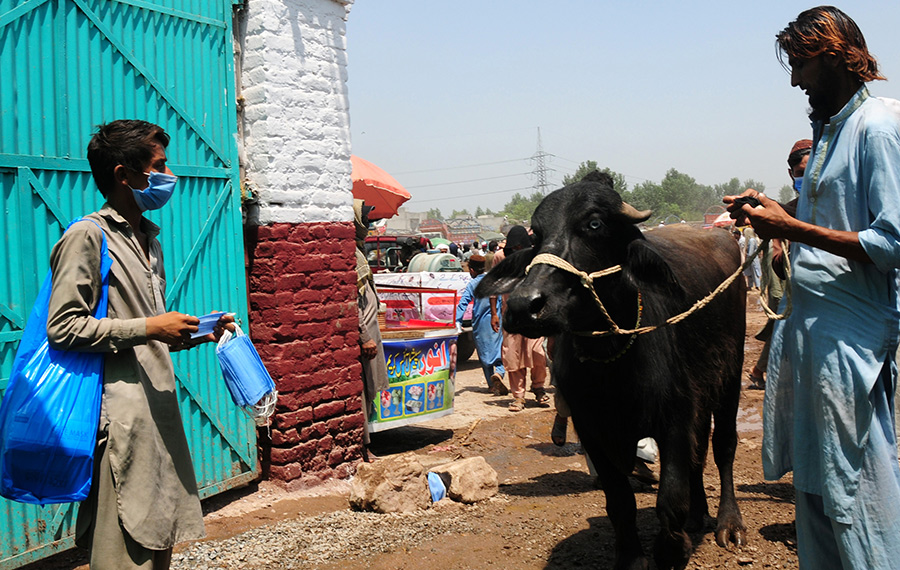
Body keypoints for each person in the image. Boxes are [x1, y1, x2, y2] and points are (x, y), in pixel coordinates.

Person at [726, 8, 900, 567]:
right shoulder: (830, 130)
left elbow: (892, 240)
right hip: (812, 334)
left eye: (801, 65)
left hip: (851, 341)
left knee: (857, 486)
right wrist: (776, 211)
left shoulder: (878, 127)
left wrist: (793, 229)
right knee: (817, 484)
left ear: (832, 55)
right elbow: (835, 210)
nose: (796, 80)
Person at [46, 120, 234, 569]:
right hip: (120, 421)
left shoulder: (148, 240)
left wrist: (189, 333)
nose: (168, 177)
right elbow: (64, 326)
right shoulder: (88, 236)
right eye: (158, 166)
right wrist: (150, 328)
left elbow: (145, 329)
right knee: (123, 553)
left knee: (155, 544)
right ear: (123, 174)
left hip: (157, 415)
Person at [748, 139, 811, 390]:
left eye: (811, 172)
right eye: (800, 174)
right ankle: (761, 371)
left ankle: (759, 370)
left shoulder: (843, 204)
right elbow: (777, 264)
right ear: (791, 175)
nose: (805, 179)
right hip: (792, 293)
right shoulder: (791, 210)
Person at [490, 226, 549, 411]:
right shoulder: (500, 257)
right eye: (512, 249)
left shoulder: (538, 256)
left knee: (538, 353)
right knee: (513, 356)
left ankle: (538, 387)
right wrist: (494, 313)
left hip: (535, 313)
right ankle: (518, 397)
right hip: (512, 315)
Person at [354, 200, 389, 462]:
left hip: (372, 330)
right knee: (363, 388)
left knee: (370, 388)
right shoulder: (351, 255)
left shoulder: (359, 251)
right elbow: (352, 301)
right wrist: (364, 336)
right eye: (364, 221)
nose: (368, 226)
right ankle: (363, 447)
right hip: (364, 334)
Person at [455, 254, 507, 395]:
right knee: (498, 350)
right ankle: (500, 372)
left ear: (471, 270)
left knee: (484, 353)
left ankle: (491, 385)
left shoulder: (472, 284)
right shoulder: (493, 281)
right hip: (496, 320)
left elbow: (463, 304)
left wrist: (457, 322)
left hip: (480, 323)